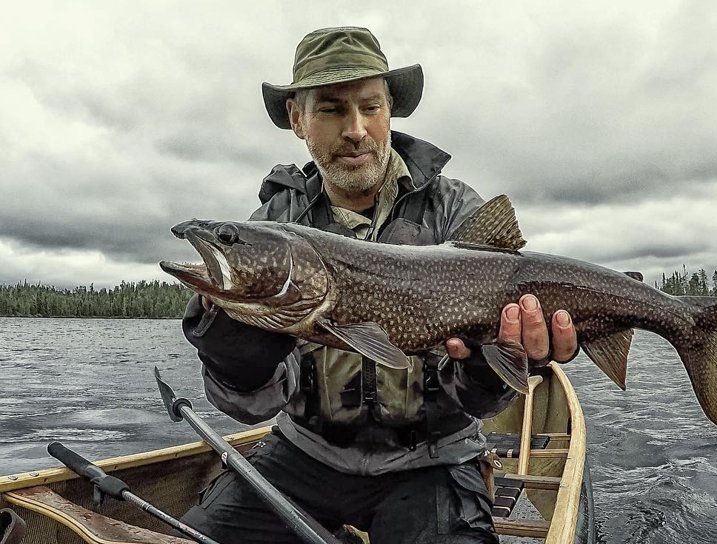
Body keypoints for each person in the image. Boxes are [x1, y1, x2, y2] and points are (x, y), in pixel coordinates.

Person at [179, 26, 578, 544]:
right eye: (330, 109)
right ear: (298, 120)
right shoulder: (276, 221)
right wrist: (236, 355)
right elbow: (252, 406)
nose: (356, 129)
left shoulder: (454, 211)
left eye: (370, 107)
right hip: (305, 453)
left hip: (433, 461)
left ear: (390, 110)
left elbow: (481, 404)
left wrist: (490, 366)